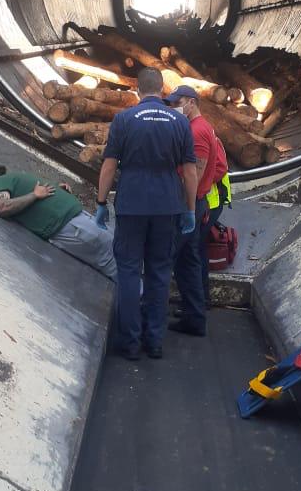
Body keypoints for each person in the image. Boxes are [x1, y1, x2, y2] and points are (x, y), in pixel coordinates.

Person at [96, 68, 197, 361]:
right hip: (167, 206)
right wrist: (189, 209)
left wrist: (101, 202)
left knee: (128, 271)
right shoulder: (179, 121)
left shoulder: (124, 119)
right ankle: (154, 342)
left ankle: (129, 343)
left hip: (132, 204)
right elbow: (190, 172)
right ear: (162, 89)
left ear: (138, 90)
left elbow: (109, 165)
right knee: (159, 272)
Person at [0, 162, 116, 281]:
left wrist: (56, 190)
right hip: (72, 226)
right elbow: (2, 206)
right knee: (119, 261)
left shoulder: (10, 180)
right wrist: (34, 195)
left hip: (77, 222)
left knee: (122, 255)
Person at [166, 86, 218, 329]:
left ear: (191, 102)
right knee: (188, 261)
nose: (175, 107)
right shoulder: (201, 128)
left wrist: (188, 209)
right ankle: (194, 316)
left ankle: (151, 313)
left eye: (179, 102)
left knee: (167, 256)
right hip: (196, 202)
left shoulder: (197, 132)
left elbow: (193, 174)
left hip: (188, 203)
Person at [202, 135, 231, 306]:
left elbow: (220, 168)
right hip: (207, 201)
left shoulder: (201, 134)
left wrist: (198, 182)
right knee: (195, 250)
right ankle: (200, 298)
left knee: (195, 250)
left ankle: (202, 298)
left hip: (210, 202)